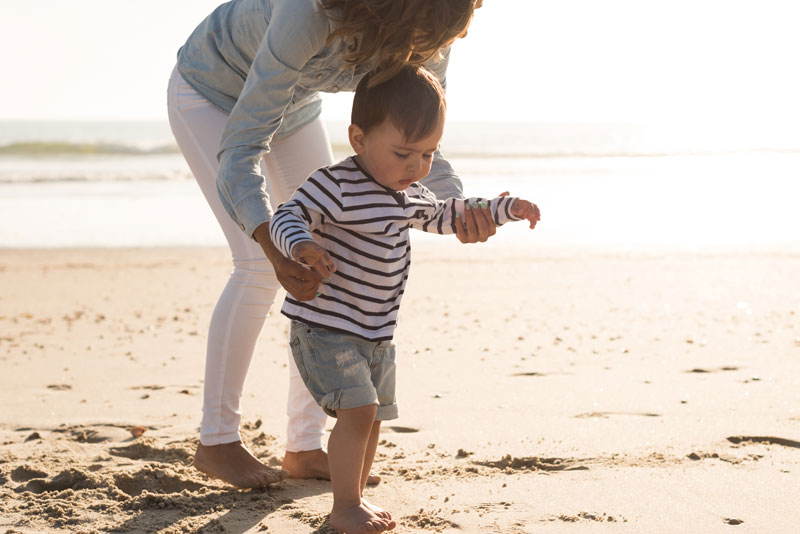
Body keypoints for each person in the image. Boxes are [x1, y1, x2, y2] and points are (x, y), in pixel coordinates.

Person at [167, 0, 498, 489]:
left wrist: (459, 209)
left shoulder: (431, 26)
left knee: (328, 263)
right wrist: (273, 244)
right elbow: (241, 150)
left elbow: (422, 137)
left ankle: (303, 447)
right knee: (259, 265)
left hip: (296, 106)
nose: (435, 44)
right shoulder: (310, 11)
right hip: (213, 93)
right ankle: (217, 440)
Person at [269, 64, 540, 534]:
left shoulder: (407, 193)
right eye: (402, 153)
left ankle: (353, 494)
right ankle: (346, 507)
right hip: (326, 326)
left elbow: (447, 212)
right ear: (358, 139)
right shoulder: (333, 184)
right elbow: (286, 215)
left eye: (428, 154)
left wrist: (505, 209)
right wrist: (303, 245)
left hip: (375, 332)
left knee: (372, 416)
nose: (416, 167)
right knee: (358, 410)